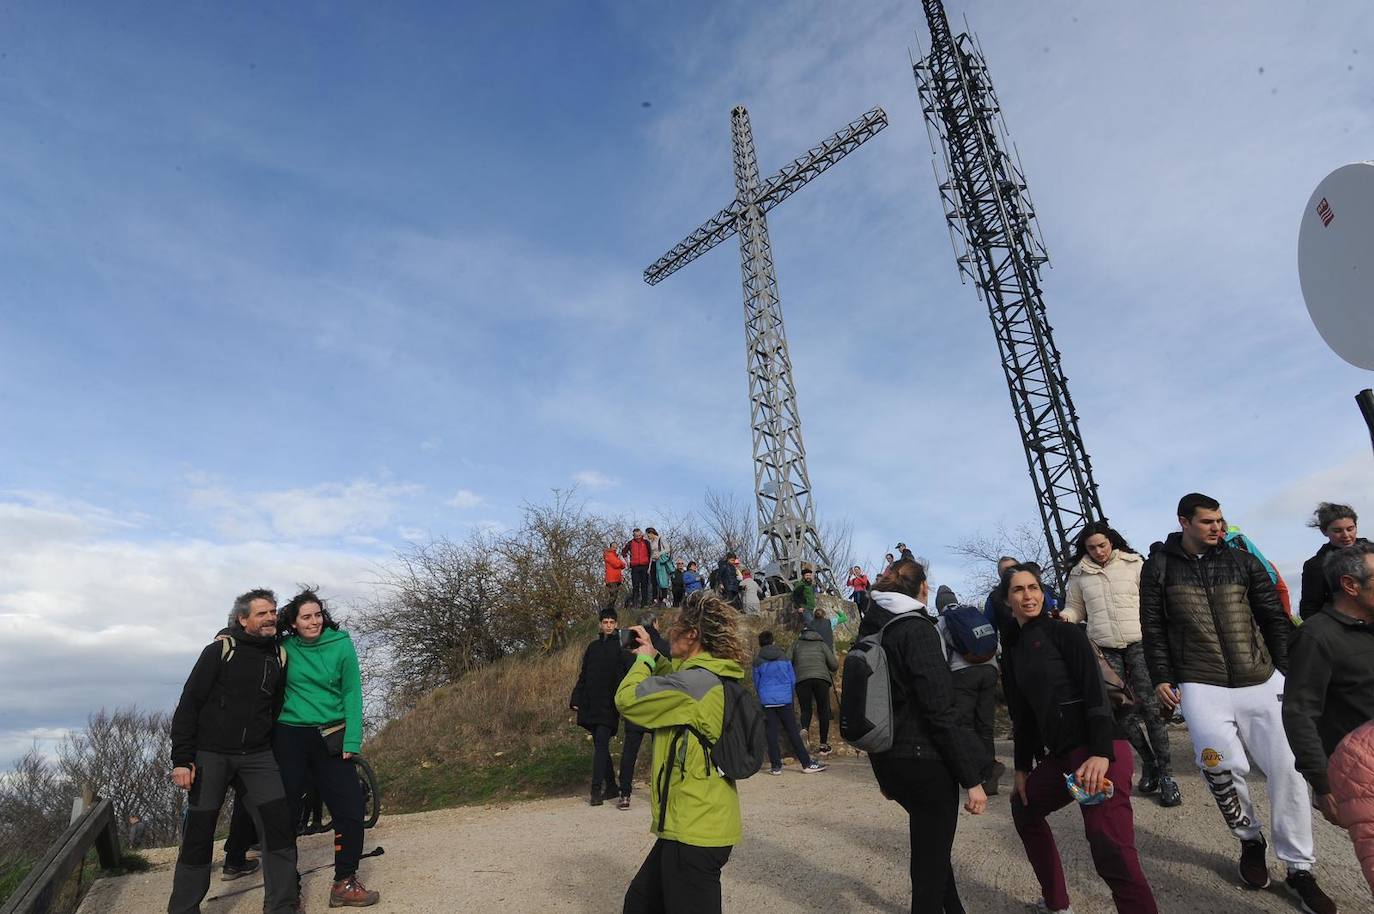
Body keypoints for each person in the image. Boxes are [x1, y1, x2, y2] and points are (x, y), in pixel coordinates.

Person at [1140, 493, 1335, 912]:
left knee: (1288, 769)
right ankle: (1250, 840)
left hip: (1261, 677)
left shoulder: (1242, 560)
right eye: (1208, 521)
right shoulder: (1158, 566)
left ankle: (1300, 868)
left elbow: (1272, 616)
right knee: (1219, 768)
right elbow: (1152, 627)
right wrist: (1162, 678)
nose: (1218, 527)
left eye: (1221, 521)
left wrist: (1284, 671)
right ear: (1184, 522)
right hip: (1200, 683)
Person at [1000, 564, 1159, 914]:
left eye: (1034, 588)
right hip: (1063, 758)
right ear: (1006, 599)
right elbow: (1023, 715)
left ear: (1043, 593)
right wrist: (1022, 769)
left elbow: (1095, 693)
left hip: (1098, 752)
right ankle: (1057, 905)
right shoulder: (1012, 651)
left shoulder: (1065, 633)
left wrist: (1102, 752)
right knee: (1024, 809)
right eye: (1019, 590)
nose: (1028, 595)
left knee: (1111, 850)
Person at [860, 559, 989, 912]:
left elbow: (870, 707)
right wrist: (971, 779)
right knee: (928, 875)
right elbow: (939, 711)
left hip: (891, 761)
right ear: (923, 589)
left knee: (933, 849)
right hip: (925, 763)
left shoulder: (874, 629)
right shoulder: (916, 630)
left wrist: (881, 772)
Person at [616, 592, 748, 914]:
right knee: (641, 904)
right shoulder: (709, 677)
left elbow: (628, 699)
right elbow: (676, 684)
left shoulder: (693, 685)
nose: (670, 632)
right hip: (692, 823)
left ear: (692, 635)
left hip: (695, 830)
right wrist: (655, 654)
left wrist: (644, 661)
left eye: (676, 626)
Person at [168, 589, 297, 914]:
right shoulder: (219, 651)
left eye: (273, 611)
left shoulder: (278, 657)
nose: (270, 618)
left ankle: (282, 906)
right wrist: (182, 758)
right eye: (262, 613)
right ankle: (183, 909)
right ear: (243, 619)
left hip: (257, 756)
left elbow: (275, 705)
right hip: (211, 755)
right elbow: (190, 703)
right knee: (199, 835)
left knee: (279, 829)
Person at [1062, 522, 1181, 808]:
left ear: (1112, 542)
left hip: (1140, 641)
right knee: (1122, 711)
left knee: (1152, 709)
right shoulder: (1079, 574)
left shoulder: (1135, 564)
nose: (1098, 551)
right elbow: (1076, 608)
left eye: (1102, 545)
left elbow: (1152, 601)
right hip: (1104, 646)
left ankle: (1167, 776)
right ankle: (1149, 764)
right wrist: (1065, 617)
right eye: (1091, 547)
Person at [273, 589, 379, 908]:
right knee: (285, 814)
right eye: (306, 617)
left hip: (331, 734)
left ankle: (344, 882)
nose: (314, 621)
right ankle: (286, 887)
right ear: (293, 622)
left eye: (317, 614)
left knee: (349, 808)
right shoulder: (283, 647)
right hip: (289, 735)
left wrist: (352, 739)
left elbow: (351, 692)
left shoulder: (340, 643)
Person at [1283, 542, 1374, 897]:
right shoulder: (1316, 637)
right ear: (1351, 585)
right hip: (1364, 780)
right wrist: (1322, 784)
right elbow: (1299, 712)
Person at [934, 584, 1005, 797]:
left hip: (963, 673)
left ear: (939, 605)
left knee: (962, 724)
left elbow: (941, 653)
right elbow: (997, 646)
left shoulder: (941, 621)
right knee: (984, 725)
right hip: (990, 670)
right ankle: (988, 782)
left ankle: (987, 767)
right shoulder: (975, 613)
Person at [571, 606, 628, 807]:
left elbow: (625, 674)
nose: (609, 626)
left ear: (617, 624)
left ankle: (596, 791)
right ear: (600, 624)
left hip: (609, 704)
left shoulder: (621, 647)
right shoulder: (593, 647)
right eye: (605, 622)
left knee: (601, 745)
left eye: (612, 622)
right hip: (591, 703)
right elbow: (584, 674)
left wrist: (624, 699)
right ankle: (611, 786)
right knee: (600, 746)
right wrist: (576, 698)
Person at [616, 611, 671, 811]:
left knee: (630, 751)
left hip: (637, 704)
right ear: (655, 624)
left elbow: (621, 677)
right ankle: (664, 790)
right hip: (659, 706)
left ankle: (624, 793)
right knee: (662, 751)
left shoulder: (628, 649)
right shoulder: (665, 646)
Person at [752, 631, 826, 775]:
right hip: (785, 699)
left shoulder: (757, 660)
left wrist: (762, 695)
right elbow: (792, 678)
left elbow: (757, 682)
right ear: (773, 641)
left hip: (767, 700)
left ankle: (776, 766)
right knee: (792, 731)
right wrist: (789, 695)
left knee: (771, 733)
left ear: (760, 643)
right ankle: (806, 763)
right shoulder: (784, 656)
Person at [1300, 502, 1364, 621]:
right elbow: (1309, 609)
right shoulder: (1316, 566)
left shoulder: (1370, 552)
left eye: (1350, 529)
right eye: (1337, 530)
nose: (1346, 535)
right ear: (1324, 531)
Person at [789, 619, 838, 756]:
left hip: (802, 679)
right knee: (823, 711)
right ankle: (823, 745)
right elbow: (834, 665)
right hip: (821, 679)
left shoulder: (796, 644)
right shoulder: (821, 644)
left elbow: (787, 660)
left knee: (806, 709)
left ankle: (804, 729)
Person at [985, 555, 1019, 632]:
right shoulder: (994, 598)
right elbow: (989, 629)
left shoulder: (1034, 588)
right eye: (1005, 570)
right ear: (1000, 574)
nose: (1010, 572)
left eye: (1013, 568)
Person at [622, 529, 653, 610]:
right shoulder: (630, 543)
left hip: (645, 566)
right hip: (635, 567)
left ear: (641, 534)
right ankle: (635, 604)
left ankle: (644, 603)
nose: (638, 537)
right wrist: (627, 562)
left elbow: (651, 555)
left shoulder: (646, 542)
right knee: (635, 586)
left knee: (645, 585)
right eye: (636, 536)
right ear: (633, 536)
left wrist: (649, 567)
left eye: (639, 535)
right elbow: (623, 552)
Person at [646, 527, 669, 606]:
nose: (648, 537)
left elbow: (667, 549)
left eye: (648, 535)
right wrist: (649, 567)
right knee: (653, 581)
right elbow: (651, 555)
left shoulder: (661, 539)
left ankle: (664, 598)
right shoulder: (650, 542)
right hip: (653, 562)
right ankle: (655, 599)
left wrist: (659, 554)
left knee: (662, 579)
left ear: (652, 533)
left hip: (660, 561)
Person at [605, 545, 627, 612]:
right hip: (611, 578)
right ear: (611, 547)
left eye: (616, 547)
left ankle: (610, 609)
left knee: (615, 595)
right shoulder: (609, 554)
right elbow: (617, 564)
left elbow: (623, 565)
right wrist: (621, 563)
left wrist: (621, 563)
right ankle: (608, 609)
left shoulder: (615, 555)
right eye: (614, 547)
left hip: (616, 578)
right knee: (613, 595)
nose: (615, 548)